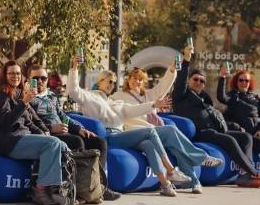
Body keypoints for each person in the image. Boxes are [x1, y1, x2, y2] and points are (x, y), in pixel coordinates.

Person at [66, 59, 189, 197]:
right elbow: (73, 91)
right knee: (150, 131)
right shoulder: (89, 96)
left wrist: (154, 104)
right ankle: (171, 170)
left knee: (148, 144)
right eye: (109, 80)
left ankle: (165, 184)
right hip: (108, 136)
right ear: (100, 81)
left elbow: (134, 109)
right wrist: (75, 67)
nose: (111, 84)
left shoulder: (115, 102)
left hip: (121, 134)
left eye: (113, 82)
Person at [173, 44, 260, 188]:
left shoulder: (205, 99)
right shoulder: (182, 96)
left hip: (215, 130)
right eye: (195, 79)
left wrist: (234, 126)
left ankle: (246, 173)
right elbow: (180, 81)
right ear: (189, 81)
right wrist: (187, 59)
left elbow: (216, 118)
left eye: (202, 81)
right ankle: (254, 173)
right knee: (229, 140)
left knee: (246, 137)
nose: (198, 83)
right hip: (200, 132)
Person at [111, 66, 223, 194]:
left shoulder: (148, 95)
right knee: (170, 130)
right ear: (128, 80)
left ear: (144, 82)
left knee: (176, 149)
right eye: (134, 78)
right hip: (137, 132)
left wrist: (171, 70)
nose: (137, 81)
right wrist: (153, 105)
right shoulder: (118, 96)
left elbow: (164, 85)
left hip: (154, 132)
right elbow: (127, 112)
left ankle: (195, 183)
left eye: (140, 79)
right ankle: (201, 158)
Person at [27, 64, 121, 200]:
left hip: (63, 131)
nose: (40, 81)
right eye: (36, 78)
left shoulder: (52, 96)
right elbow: (30, 121)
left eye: (43, 78)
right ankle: (78, 188)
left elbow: (63, 116)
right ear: (29, 79)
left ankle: (98, 186)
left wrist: (79, 128)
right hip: (47, 135)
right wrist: (51, 128)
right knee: (76, 141)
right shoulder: (27, 97)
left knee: (99, 142)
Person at [0, 60, 71, 205]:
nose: (15, 76)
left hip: (23, 138)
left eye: (18, 73)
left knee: (63, 145)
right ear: (4, 75)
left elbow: (32, 122)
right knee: (53, 143)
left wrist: (44, 133)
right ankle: (41, 192)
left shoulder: (19, 95)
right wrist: (23, 103)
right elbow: (5, 124)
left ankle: (63, 190)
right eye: (11, 73)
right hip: (9, 141)